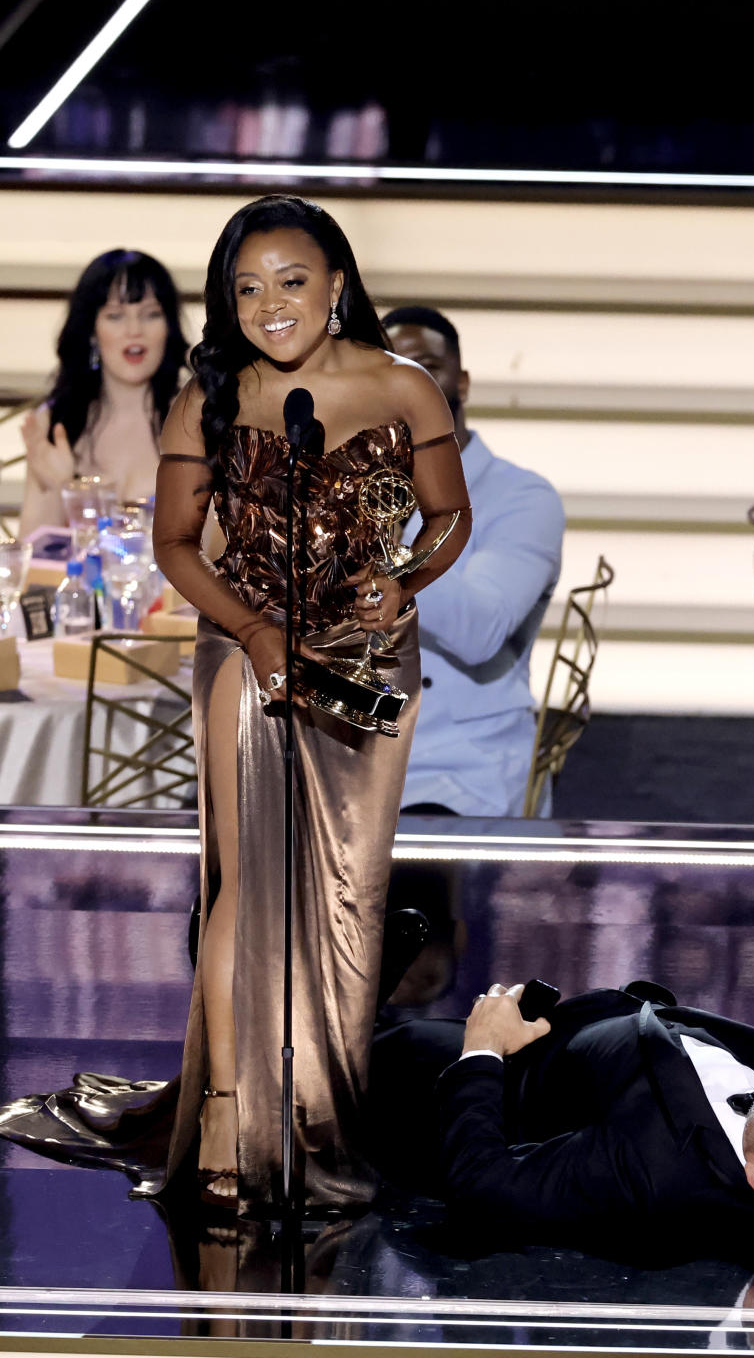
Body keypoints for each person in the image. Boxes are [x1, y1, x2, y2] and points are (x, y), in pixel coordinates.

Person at [149, 194, 471, 1210]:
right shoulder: (208, 396)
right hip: (253, 651)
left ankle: (321, 1116)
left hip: (368, 666)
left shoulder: (404, 386)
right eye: (247, 287)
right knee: (248, 887)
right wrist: (250, 631)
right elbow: (173, 545)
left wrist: (406, 581)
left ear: (336, 283)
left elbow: (451, 517)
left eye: (291, 281)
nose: (270, 304)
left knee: (344, 895)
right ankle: (233, 1132)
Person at [368, 980, 754, 1265]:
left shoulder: (649, 1167)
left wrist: (484, 1051)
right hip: (586, 1025)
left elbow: (481, 1186)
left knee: (361, 1059)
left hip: (451, 1084)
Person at [381, 307, 564, 817]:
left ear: (460, 381)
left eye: (426, 368)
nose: (409, 388)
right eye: (389, 373)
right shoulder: (350, 490)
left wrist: (386, 546)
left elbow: (481, 630)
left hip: (459, 768)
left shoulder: (521, 497)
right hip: (348, 751)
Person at [19, 249, 187, 536]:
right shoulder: (58, 422)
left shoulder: (198, 417)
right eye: (115, 316)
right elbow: (35, 559)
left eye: (151, 315)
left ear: (168, 328)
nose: (134, 330)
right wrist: (58, 489)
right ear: (92, 331)